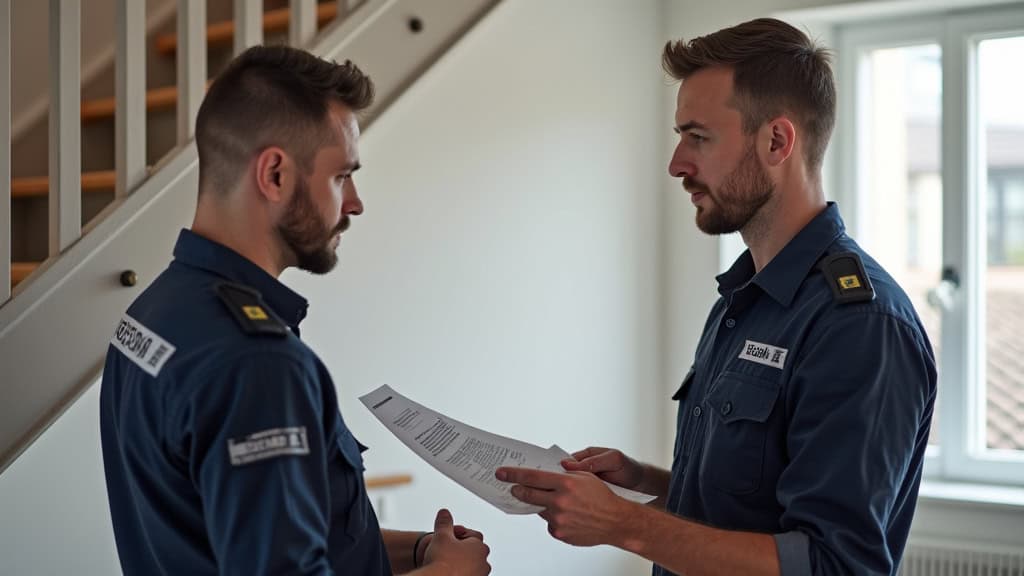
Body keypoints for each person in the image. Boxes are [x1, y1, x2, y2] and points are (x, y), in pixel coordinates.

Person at [496, 17, 936, 576]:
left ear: (777, 140)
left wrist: (624, 525)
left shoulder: (859, 324)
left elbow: (833, 564)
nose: (677, 163)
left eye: (698, 137)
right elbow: (749, 508)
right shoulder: (742, 299)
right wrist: (641, 485)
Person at [99, 45, 491, 576]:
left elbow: (280, 532)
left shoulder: (152, 315)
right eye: (340, 176)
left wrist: (422, 552)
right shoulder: (256, 363)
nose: (354, 203)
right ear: (276, 175)